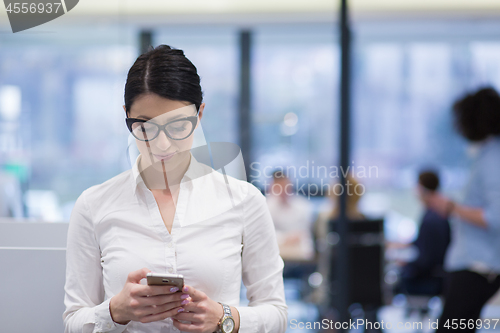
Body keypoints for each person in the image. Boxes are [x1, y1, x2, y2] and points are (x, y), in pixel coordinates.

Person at [63, 45, 287, 333]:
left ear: (200, 115)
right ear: (126, 116)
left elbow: (277, 313)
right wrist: (115, 311)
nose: (163, 144)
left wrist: (224, 317)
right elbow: (72, 321)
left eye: (178, 126)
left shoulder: (243, 201)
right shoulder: (94, 205)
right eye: (145, 126)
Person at [428, 88, 500, 332]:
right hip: (475, 264)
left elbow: (496, 217)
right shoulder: (487, 155)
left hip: (478, 266)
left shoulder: (492, 158)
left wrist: (451, 207)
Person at [398, 170, 451, 296]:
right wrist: (405, 245)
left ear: (421, 189)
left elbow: (426, 260)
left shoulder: (430, 219)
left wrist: (405, 264)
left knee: (396, 277)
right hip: (439, 274)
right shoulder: (437, 213)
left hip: (429, 279)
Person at [266, 170, 314, 262]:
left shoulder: (303, 206)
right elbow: (266, 233)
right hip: (276, 252)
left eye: (285, 185)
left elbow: (304, 233)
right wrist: (285, 238)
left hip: (300, 252)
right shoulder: (267, 206)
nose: (283, 189)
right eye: (279, 186)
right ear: (272, 186)